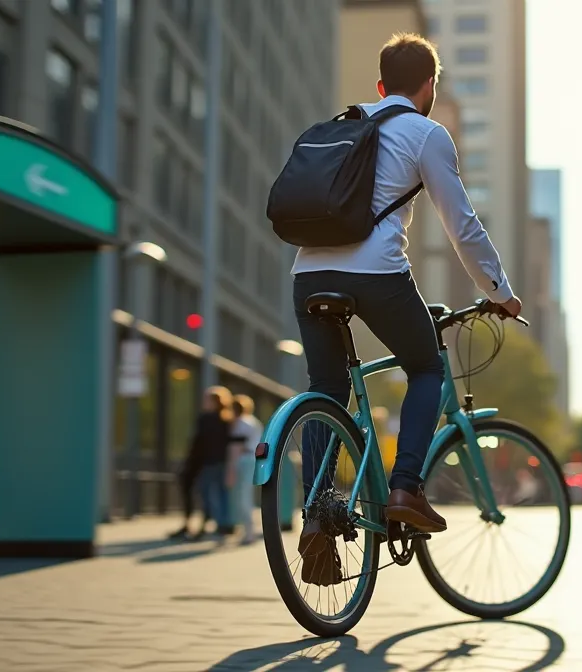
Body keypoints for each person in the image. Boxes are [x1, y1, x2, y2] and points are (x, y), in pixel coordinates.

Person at [289, 33, 521, 585]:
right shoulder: (426, 133)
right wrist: (499, 291)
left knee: (327, 389)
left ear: (379, 86)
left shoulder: (343, 123)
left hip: (307, 274)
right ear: (429, 86)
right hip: (375, 274)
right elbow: (462, 225)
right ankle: (405, 489)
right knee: (427, 367)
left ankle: (318, 516)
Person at [195, 386, 235, 540]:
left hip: (211, 461)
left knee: (208, 492)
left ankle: (216, 522)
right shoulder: (227, 419)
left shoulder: (207, 419)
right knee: (221, 493)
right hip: (219, 460)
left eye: (207, 399)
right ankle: (223, 523)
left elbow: (200, 442)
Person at [228, 394, 265, 545]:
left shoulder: (240, 423)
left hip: (243, 460)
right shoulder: (254, 422)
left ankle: (249, 532)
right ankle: (249, 530)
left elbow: (236, 448)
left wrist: (231, 469)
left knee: (243, 496)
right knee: (246, 495)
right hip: (253, 459)